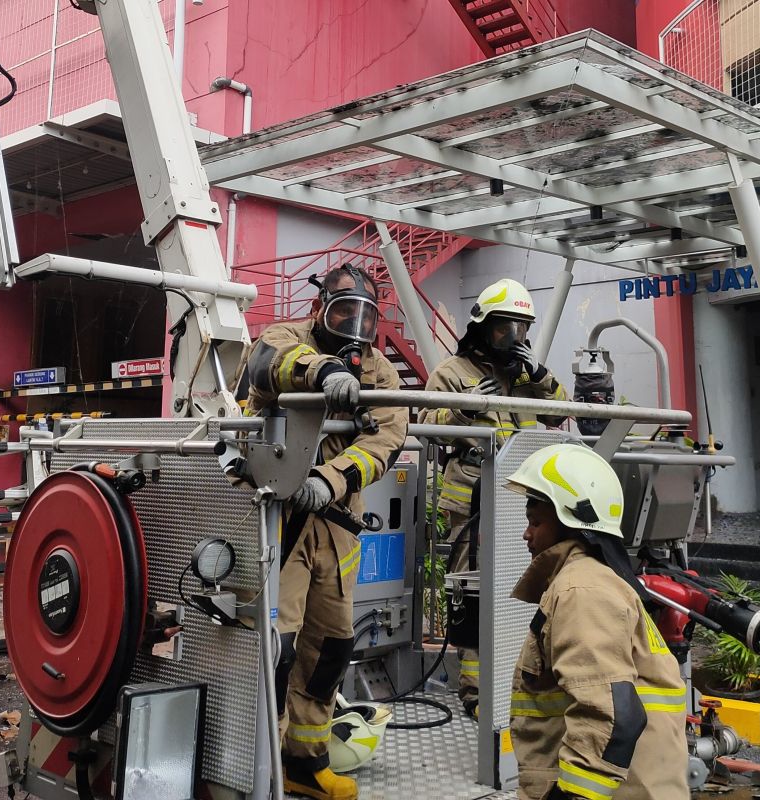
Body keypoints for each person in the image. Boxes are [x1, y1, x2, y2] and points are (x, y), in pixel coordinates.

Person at [238, 266, 407, 800]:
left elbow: (385, 441)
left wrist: (330, 481)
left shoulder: (380, 371)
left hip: (336, 528)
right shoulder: (286, 337)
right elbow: (266, 366)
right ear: (321, 310)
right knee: (276, 649)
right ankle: (258, 769)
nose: (353, 327)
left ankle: (303, 764)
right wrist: (323, 372)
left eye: (364, 318)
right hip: (279, 522)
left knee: (329, 649)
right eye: (342, 313)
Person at [417, 277, 569, 717]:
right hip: (472, 502)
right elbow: (427, 421)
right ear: (483, 326)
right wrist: (465, 407)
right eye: (505, 328)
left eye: (522, 329)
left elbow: (565, 412)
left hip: (525, 503)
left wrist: (541, 376)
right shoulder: (452, 372)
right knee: (478, 595)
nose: (514, 338)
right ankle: (478, 695)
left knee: (530, 593)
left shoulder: (524, 376)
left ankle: (521, 682)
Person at [504, 443, 689, 800]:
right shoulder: (585, 581)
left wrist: (572, 795)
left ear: (571, 522)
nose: (527, 534)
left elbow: (613, 714)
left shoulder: (582, 589)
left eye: (536, 522)